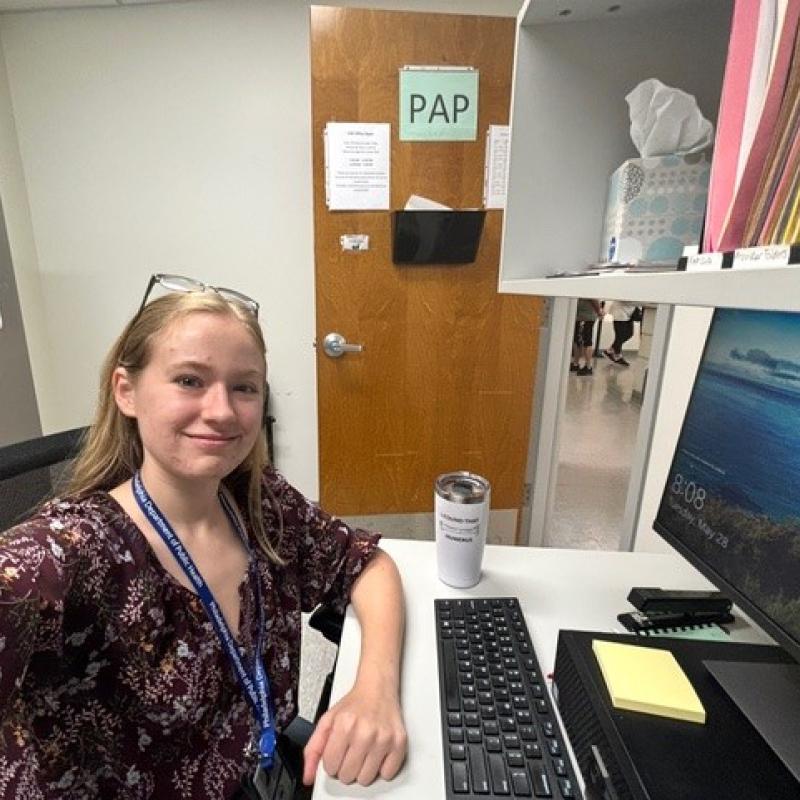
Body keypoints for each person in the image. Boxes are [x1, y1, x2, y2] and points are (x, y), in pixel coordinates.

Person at [0, 274, 407, 799]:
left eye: (244, 387)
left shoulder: (259, 504)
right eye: (190, 380)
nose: (221, 411)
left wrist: (375, 690)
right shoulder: (67, 551)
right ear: (126, 391)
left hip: (264, 776)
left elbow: (367, 565)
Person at [570, 298, 603, 376]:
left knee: (586, 341)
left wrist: (599, 311)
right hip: (580, 316)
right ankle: (575, 364)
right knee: (577, 340)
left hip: (586, 316)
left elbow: (594, 299)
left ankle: (588, 367)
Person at [603, 301, 638, 366]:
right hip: (619, 311)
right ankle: (617, 355)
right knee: (620, 336)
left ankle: (610, 350)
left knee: (629, 333)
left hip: (630, 312)